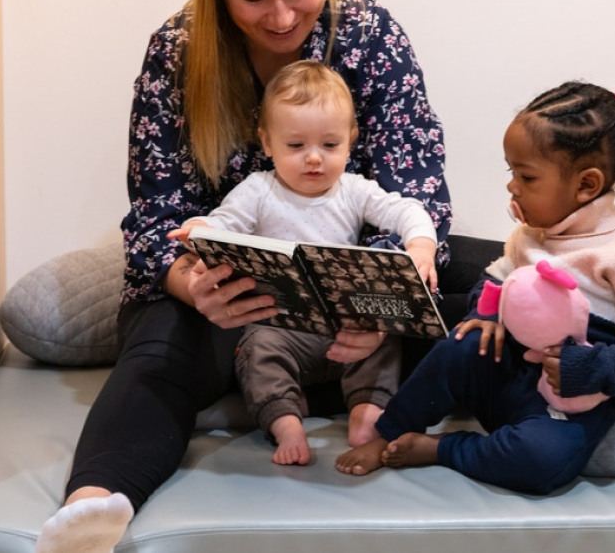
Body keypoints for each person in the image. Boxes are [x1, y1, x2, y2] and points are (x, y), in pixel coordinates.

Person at [34, 0, 452, 553]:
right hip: (227, 305)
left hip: (358, 302)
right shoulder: (178, 51)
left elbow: (418, 189)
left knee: (494, 285)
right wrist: (192, 286)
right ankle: (92, 509)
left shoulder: (370, 36)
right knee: (158, 349)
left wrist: (375, 304)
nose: (283, 17)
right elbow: (153, 218)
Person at [335, 80, 615, 495]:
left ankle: (444, 448)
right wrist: (484, 315)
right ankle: (388, 432)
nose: (512, 186)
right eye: (511, 171)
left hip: (563, 401)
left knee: (543, 462)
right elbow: (494, 279)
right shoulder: (532, 235)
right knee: (457, 346)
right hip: (506, 371)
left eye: (527, 176)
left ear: (586, 186)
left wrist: (594, 369)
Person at [169, 60, 439, 466]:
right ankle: (285, 422)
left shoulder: (353, 190)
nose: (314, 159)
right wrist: (201, 230)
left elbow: (407, 210)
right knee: (256, 346)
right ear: (267, 143)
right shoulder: (258, 190)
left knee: (386, 334)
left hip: (345, 327)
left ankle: (367, 411)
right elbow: (224, 224)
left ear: (350, 141)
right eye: (296, 146)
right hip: (282, 326)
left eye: (330, 146)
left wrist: (421, 247)